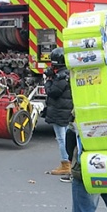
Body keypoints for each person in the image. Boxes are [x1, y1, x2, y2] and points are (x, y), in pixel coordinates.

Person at [44, 47, 73, 176]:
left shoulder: (60, 77)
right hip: (66, 110)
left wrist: (48, 81)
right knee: (67, 136)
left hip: (59, 111)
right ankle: (69, 162)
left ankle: (65, 164)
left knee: (62, 138)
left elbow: (53, 92)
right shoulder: (68, 73)